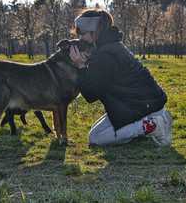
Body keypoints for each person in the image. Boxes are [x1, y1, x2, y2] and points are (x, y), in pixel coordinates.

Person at [69, 8, 172, 146]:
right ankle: (152, 123)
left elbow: (91, 95)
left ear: (95, 31)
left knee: (96, 138)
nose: (79, 37)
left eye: (82, 32)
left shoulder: (105, 55)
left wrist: (80, 66)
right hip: (142, 105)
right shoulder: (111, 46)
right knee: (96, 131)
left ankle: (152, 126)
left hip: (143, 107)